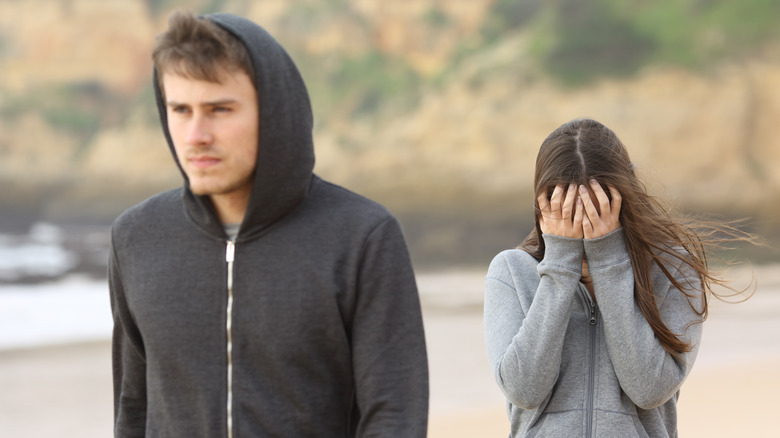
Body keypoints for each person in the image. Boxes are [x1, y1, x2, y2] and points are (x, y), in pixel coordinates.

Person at [109, 11, 428, 438]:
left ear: (274, 111)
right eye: (180, 109)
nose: (195, 135)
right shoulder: (136, 237)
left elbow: (394, 416)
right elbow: (133, 408)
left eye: (219, 109)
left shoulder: (361, 236)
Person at [483, 118, 754, 437]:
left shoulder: (671, 268)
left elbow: (650, 389)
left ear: (622, 200)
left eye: (596, 209)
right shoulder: (512, 272)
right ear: (543, 206)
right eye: (566, 210)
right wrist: (559, 265)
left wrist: (609, 260)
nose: (581, 223)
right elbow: (524, 389)